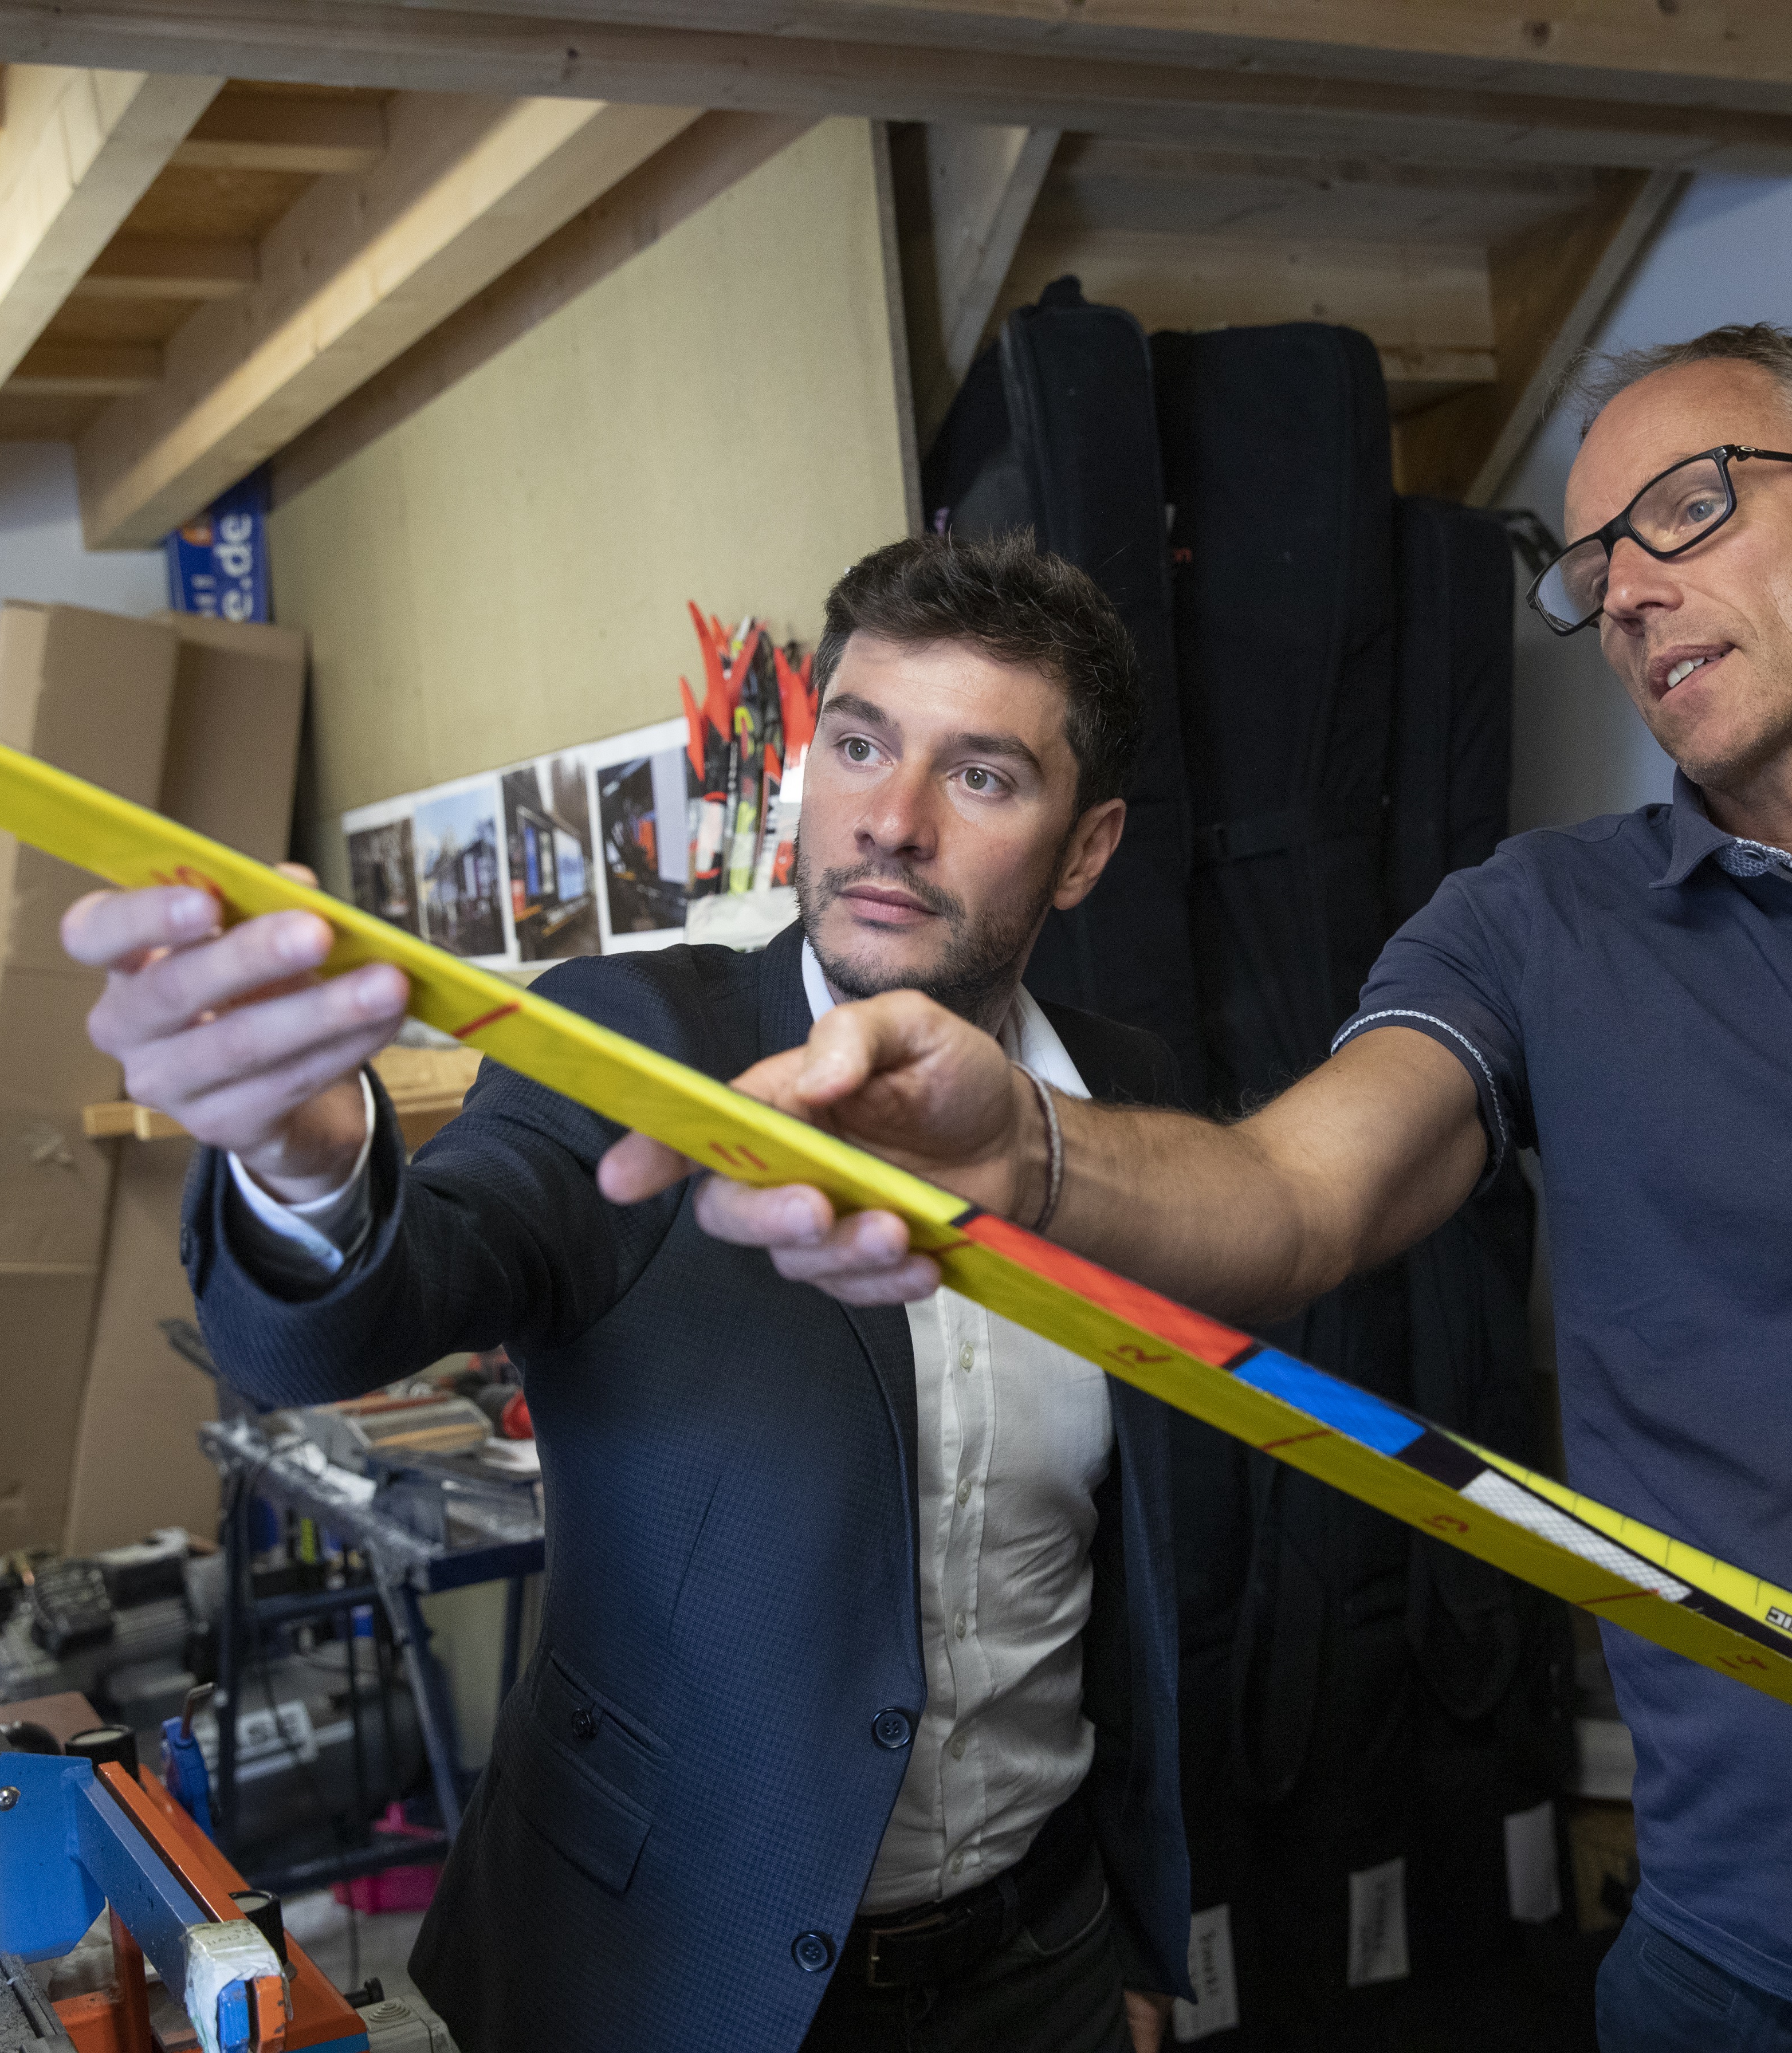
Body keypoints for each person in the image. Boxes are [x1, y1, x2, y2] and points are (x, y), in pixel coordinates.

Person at [604, 327, 1792, 2046]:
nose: (1626, 591)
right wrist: (1024, 1144)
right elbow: (1294, 1201)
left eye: (1692, 509)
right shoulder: (1538, 927)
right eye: (1593, 564)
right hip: (1724, 1982)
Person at [64, 534, 1188, 2053]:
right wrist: (301, 1155)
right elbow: (373, 1306)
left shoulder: (1128, 1120)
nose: (893, 823)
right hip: (664, 1980)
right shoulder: (633, 1044)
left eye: (982, 777)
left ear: (1088, 846)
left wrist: (1134, 1929)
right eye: (858, 745)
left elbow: (1137, 1583)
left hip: (1037, 1971)